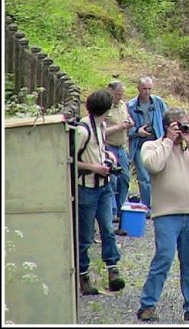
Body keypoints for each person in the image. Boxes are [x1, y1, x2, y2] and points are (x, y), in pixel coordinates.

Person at [136, 108, 189, 322]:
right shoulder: (152, 146)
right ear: (167, 126)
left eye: (184, 125)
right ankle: (148, 305)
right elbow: (153, 165)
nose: (181, 130)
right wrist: (169, 141)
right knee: (163, 259)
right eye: (177, 126)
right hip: (166, 214)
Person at [75, 89, 126, 295]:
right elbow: (68, 160)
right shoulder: (82, 131)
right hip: (86, 187)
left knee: (108, 228)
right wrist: (94, 167)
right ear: (104, 108)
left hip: (104, 186)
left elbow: (100, 150)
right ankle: (83, 275)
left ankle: (113, 270)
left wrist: (109, 158)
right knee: (85, 236)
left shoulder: (101, 125)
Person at [127, 76, 168, 211]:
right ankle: (147, 206)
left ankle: (159, 203)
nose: (147, 92)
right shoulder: (130, 106)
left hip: (157, 143)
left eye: (150, 89)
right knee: (144, 177)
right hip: (139, 145)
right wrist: (137, 131)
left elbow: (167, 119)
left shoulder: (159, 103)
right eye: (144, 89)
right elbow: (125, 127)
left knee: (159, 175)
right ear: (138, 88)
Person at [105, 80, 134, 232]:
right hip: (108, 147)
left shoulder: (123, 105)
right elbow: (100, 131)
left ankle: (121, 210)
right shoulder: (103, 106)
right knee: (112, 181)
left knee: (125, 179)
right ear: (110, 92)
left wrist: (129, 123)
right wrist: (119, 126)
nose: (119, 98)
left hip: (122, 147)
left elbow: (127, 119)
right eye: (117, 95)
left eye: (121, 95)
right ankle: (111, 213)